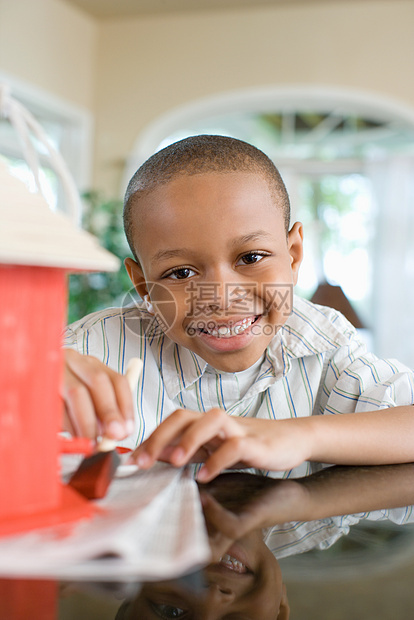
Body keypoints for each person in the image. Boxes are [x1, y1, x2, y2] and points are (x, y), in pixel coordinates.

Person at [63, 134, 414, 482]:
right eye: (181, 272)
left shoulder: (322, 341)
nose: (221, 296)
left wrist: (303, 435)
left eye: (251, 258)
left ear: (293, 257)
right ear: (144, 286)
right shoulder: (96, 349)